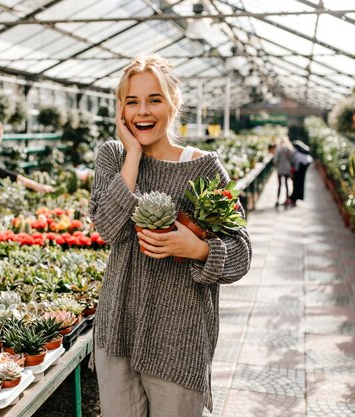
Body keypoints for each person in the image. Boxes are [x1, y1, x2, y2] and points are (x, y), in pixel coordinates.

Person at [89, 55, 252, 417]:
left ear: (173, 103)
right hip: (118, 332)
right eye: (132, 101)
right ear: (120, 109)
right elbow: (108, 228)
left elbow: (242, 253)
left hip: (179, 339)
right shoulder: (112, 157)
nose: (142, 111)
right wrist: (132, 154)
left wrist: (196, 248)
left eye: (154, 99)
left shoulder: (204, 166)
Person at [289, 140, 313, 206]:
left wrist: (294, 171)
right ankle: (295, 197)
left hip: (300, 168)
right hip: (303, 167)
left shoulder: (296, 153)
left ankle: (294, 197)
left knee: (297, 183)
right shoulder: (300, 153)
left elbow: (296, 164)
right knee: (299, 183)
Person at [271, 139, 293, 207]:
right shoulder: (289, 149)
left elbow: (276, 159)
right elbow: (291, 158)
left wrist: (276, 165)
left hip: (280, 168)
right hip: (287, 168)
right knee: (287, 184)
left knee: (280, 185)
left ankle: (277, 200)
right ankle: (287, 199)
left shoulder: (278, 149)